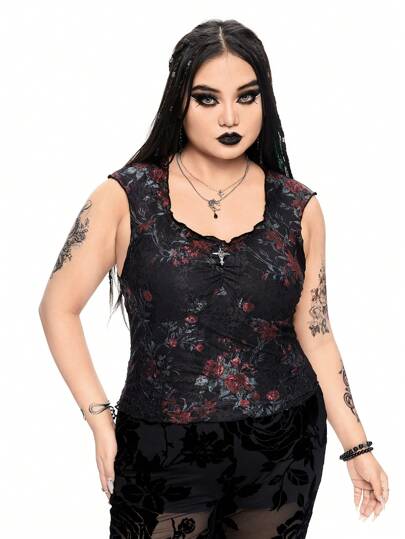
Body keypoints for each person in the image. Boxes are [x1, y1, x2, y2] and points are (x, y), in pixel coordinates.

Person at [38, 18, 389, 539]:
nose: (230, 116)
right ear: (178, 102)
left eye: (247, 97)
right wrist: (99, 419)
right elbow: (57, 307)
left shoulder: (298, 206)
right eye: (207, 99)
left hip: (283, 444)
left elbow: (316, 334)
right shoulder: (125, 197)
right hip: (161, 445)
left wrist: (358, 447)